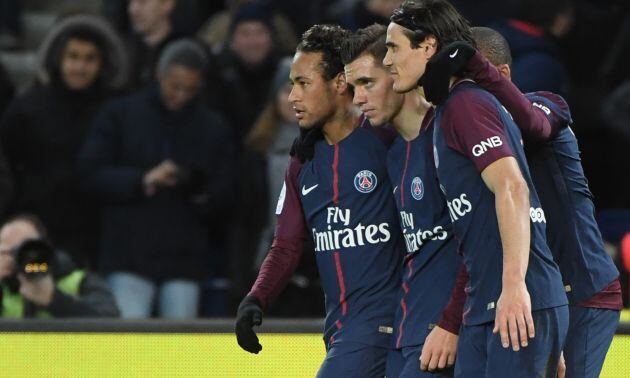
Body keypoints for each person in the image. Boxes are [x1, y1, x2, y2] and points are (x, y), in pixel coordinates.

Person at [421, 26, 622, 378]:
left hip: (583, 288)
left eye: (472, 82)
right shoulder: (471, 142)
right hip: (535, 291)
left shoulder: (549, 105)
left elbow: (535, 125)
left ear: (500, 75)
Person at [384, 1, 568, 376]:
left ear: (429, 46)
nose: (387, 61)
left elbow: (514, 188)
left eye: (393, 47)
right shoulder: (449, 110)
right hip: (486, 303)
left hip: (514, 302)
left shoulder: (466, 104)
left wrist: (517, 288)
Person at [234, 24, 404, 377]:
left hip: (386, 323)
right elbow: (286, 244)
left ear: (340, 82)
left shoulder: (388, 140)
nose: (293, 97)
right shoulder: (303, 163)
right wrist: (257, 298)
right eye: (290, 85)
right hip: (340, 327)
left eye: (302, 83)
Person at [78, 39, 234, 319]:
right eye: (175, 86)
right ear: (158, 75)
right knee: (127, 344)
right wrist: (143, 180)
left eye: (190, 89)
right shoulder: (120, 114)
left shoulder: (212, 128)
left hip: (184, 259)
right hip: (129, 256)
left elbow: (224, 191)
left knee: (179, 350)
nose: (181, 95)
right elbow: (91, 174)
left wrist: (194, 185)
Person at [341, 23, 459, 377]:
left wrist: (451, 324)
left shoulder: (447, 135)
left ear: (395, 70)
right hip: (407, 334)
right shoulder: (393, 154)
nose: (358, 98)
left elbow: (482, 241)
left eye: (367, 83)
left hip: (445, 335)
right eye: (352, 87)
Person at [0, 15, 128, 268]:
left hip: (94, 233)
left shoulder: (116, 111)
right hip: (37, 227)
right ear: (59, 58)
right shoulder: (28, 106)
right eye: (73, 57)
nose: (80, 67)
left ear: (102, 64)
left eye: (89, 59)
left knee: (81, 301)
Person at [0, 214, 119, 318]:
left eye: (27, 249)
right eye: (7, 252)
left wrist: (55, 300)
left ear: (45, 248)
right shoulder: (3, 286)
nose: (19, 257)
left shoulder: (78, 281)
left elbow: (112, 322)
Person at [126, 0, 183, 89]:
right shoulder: (121, 49)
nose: (133, 9)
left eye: (142, 2)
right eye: (130, 2)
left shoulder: (184, 51)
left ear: (167, 4)